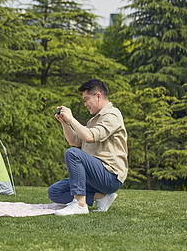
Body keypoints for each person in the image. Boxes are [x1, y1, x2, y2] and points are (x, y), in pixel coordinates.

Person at [48, 78, 128, 216]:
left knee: (72, 153)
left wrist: (72, 118)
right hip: (94, 176)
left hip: (110, 175)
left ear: (98, 96)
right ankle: (101, 197)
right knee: (55, 192)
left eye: (86, 99)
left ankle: (80, 204)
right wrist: (65, 123)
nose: (85, 104)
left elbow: (89, 137)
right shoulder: (95, 119)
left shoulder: (112, 115)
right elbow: (74, 140)